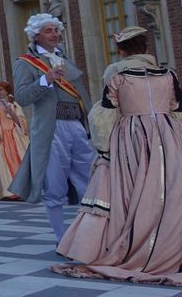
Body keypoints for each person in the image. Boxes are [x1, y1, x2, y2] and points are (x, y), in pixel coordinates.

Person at [54, 26, 182, 285]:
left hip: (131, 136)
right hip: (168, 135)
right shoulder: (168, 74)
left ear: (122, 51)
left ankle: (132, 245)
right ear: (146, 48)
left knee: (130, 192)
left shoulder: (116, 73)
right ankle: (170, 244)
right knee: (169, 189)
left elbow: (105, 113)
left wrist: (103, 149)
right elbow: (176, 108)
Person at [8, 13, 94, 243]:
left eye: (55, 30)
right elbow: (22, 97)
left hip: (76, 125)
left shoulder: (64, 59)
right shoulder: (25, 62)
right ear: (36, 36)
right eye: (48, 31)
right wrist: (45, 80)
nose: (54, 34)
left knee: (89, 181)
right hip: (52, 128)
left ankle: (90, 235)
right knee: (54, 186)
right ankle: (61, 238)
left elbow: (80, 95)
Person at [0, 81, 28, 199]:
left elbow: (22, 122)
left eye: (1, 89)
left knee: (19, 161)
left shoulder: (15, 104)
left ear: (7, 91)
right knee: (2, 163)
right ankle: (6, 192)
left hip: (14, 137)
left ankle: (21, 190)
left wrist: (11, 112)